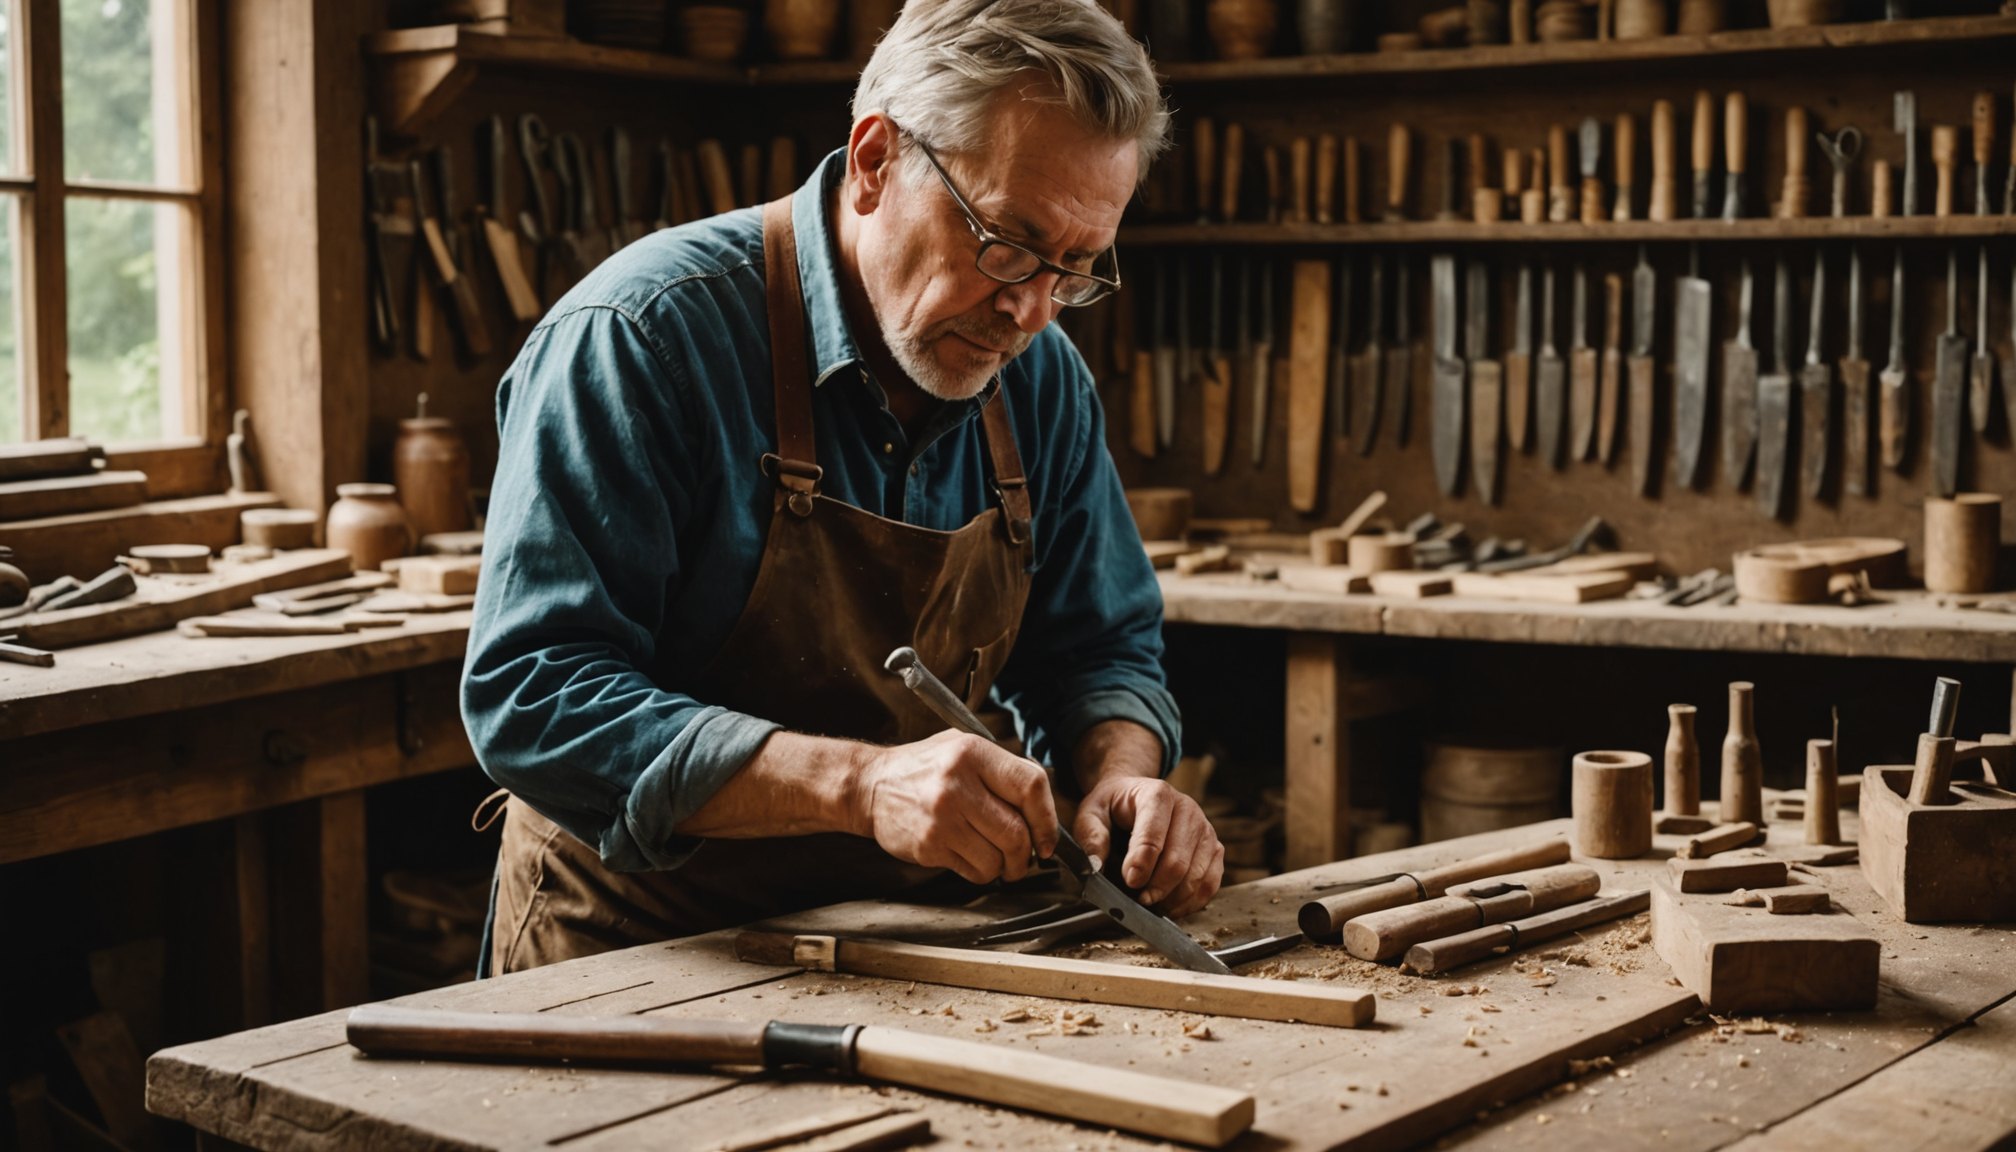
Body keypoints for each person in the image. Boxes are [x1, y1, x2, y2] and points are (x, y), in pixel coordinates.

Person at [462, 0, 1222, 974]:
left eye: (1074, 268)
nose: (1030, 310)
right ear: (874, 163)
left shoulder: (1039, 376)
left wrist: (1121, 776)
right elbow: (535, 696)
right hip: (645, 945)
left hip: (920, 945)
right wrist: (861, 787)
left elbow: (1099, 645)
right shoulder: (640, 338)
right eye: (1007, 242)